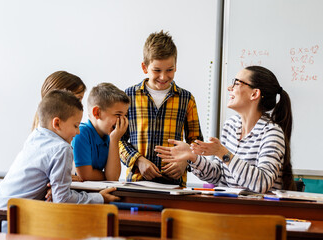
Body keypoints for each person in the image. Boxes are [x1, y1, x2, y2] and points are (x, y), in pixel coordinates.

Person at [0, 90, 119, 232]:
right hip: (9, 224)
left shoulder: (36, 136)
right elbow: (62, 200)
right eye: (75, 125)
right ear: (57, 123)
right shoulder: (62, 148)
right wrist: (99, 198)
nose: (78, 132)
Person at [155, 66, 296, 193]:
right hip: (233, 210)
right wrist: (193, 157)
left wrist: (222, 153)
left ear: (254, 94)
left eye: (236, 83)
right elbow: (220, 177)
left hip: (261, 215)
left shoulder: (271, 133)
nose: (230, 87)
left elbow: (262, 183)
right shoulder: (231, 125)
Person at [119, 30, 203, 186]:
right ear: (145, 67)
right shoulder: (128, 96)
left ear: (176, 66)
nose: (163, 77)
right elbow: (119, 140)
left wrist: (185, 162)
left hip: (174, 184)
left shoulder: (187, 99)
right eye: (157, 70)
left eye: (169, 70)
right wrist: (138, 161)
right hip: (137, 183)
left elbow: (196, 142)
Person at [72, 83, 130, 181]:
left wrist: (114, 140)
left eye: (125, 115)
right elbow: (86, 176)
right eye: (118, 115)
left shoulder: (109, 137)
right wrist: (106, 176)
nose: (123, 121)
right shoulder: (81, 133)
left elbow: (113, 178)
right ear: (97, 113)